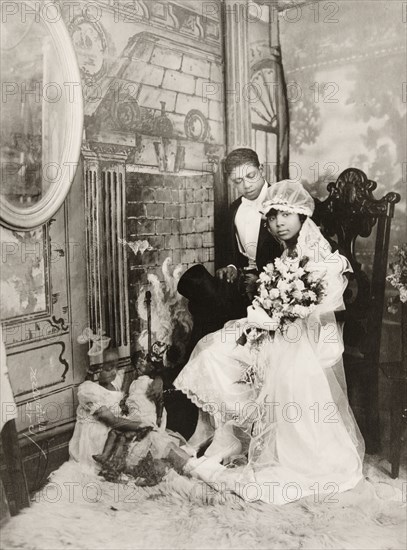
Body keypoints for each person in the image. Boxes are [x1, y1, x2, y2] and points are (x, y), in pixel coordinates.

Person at [174, 180, 365, 505]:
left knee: (249, 362)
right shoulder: (285, 250)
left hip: (299, 338)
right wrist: (265, 313)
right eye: (273, 216)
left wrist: (287, 309)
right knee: (211, 348)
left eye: (287, 215)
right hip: (273, 328)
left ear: (302, 215)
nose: (279, 222)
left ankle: (238, 440)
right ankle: (223, 435)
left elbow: (330, 296)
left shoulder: (317, 249)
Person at [69, 348, 191, 484]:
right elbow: (112, 421)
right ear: (93, 371)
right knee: (153, 442)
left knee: (158, 446)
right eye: (109, 368)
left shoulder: (115, 382)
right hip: (100, 441)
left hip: (122, 431)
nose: (114, 372)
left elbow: (144, 370)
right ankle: (192, 470)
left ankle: (192, 469)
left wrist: (158, 379)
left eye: (116, 367)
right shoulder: (88, 390)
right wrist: (141, 425)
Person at [217, 148, 281, 307]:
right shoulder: (234, 209)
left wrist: (264, 280)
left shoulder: (282, 202)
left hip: (278, 289)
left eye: (250, 176)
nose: (246, 185)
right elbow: (232, 251)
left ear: (261, 170)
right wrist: (231, 266)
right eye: (238, 181)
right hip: (242, 285)